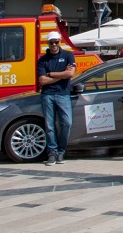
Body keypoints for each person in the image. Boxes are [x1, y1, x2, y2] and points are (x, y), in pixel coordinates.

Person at [37, 30, 76, 165]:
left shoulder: (68, 55)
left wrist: (51, 74)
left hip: (63, 94)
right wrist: (62, 74)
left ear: (60, 41)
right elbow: (42, 81)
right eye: (51, 42)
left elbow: (70, 74)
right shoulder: (42, 60)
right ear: (47, 43)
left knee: (67, 123)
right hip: (47, 95)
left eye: (56, 42)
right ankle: (52, 153)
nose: (54, 45)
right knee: (49, 125)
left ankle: (61, 151)